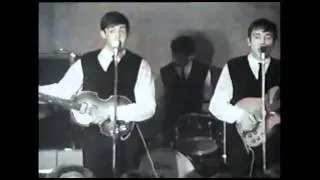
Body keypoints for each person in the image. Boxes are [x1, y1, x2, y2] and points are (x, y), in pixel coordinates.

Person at [39, 11, 156, 178]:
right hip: (93, 142)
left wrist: (110, 112)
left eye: (122, 30)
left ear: (127, 34)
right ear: (103, 34)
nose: (117, 35)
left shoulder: (140, 65)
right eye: (112, 30)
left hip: (127, 141)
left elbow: (148, 107)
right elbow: (61, 90)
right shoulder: (85, 62)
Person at [208, 18, 280, 177]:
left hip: (274, 145)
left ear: (274, 42)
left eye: (268, 37)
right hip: (239, 143)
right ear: (249, 41)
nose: (262, 42)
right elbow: (216, 105)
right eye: (257, 37)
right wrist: (240, 115)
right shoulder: (233, 66)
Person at [156, 35, 214, 146]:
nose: (175, 59)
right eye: (174, 55)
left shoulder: (203, 70)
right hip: (171, 124)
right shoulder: (165, 71)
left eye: (179, 56)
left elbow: (207, 98)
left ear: (191, 56)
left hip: (196, 123)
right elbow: (160, 100)